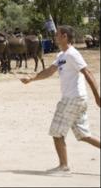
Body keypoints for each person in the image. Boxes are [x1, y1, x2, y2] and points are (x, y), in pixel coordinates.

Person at [20, 25, 100, 174]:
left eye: (57, 35)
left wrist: (97, 97)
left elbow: (87, 72)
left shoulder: (72, 54)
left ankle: (63, 166)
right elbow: (49, 71)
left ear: (64, 36)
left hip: (73, 99)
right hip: (76, 99)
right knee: (84, 135)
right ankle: (63, 165)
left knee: (57, 132)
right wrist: (31, 79)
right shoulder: (61, 55)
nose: (55, 37)